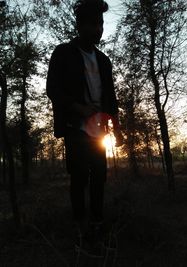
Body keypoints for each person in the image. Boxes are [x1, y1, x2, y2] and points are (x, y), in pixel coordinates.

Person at [46, 0, 122, 249]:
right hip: (75, 128)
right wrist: (79, 109)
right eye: (93, 24)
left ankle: (97, 225)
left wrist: (117, 129)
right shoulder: (63, 53)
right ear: (80, 25)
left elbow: (111, 98)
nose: (98, 29)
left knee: (99, 177)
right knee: (79, 178)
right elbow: (53, 89)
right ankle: (79, 227)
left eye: (100, 24)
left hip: (100, 132)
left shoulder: (104, 60)